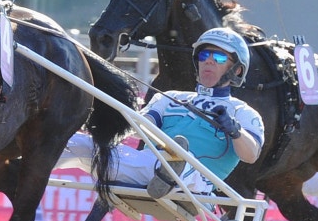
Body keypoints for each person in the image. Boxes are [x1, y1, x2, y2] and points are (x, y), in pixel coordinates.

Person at [57, 26, 264, 198]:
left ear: (236, 70)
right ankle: (25, 162)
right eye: (204, 55)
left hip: (196, 180)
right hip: (147, 165)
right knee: (77, 144)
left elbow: (251, 155)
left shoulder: (243, 112)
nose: (208, 60)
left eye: (218, 57)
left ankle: (172, 170)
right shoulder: (171, 97)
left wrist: (235, 130)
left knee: (177, 164)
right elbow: (140, 129)